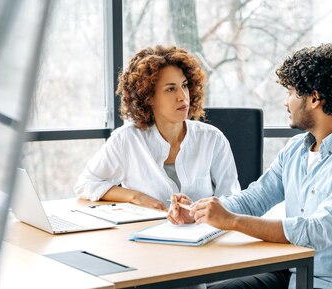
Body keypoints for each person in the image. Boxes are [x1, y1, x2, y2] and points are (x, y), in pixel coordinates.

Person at [169, 43, 332, 289]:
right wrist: (201, 212)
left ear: (314, 98)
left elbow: (317, 232)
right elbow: (254, 200)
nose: (286, 103)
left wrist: (231, 220)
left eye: (291, 92)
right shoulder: (296, 150)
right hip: (294, 275)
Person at [75, 45, 240, 211]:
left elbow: (232, 199)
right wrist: (135, 197)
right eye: (170, 89)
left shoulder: (212, 138)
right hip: (142, 234)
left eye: (184, 85)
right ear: (148, 97)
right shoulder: (127, 140)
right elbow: (85, 184)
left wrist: (198, 212)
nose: (183, 97)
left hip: (204, 233)